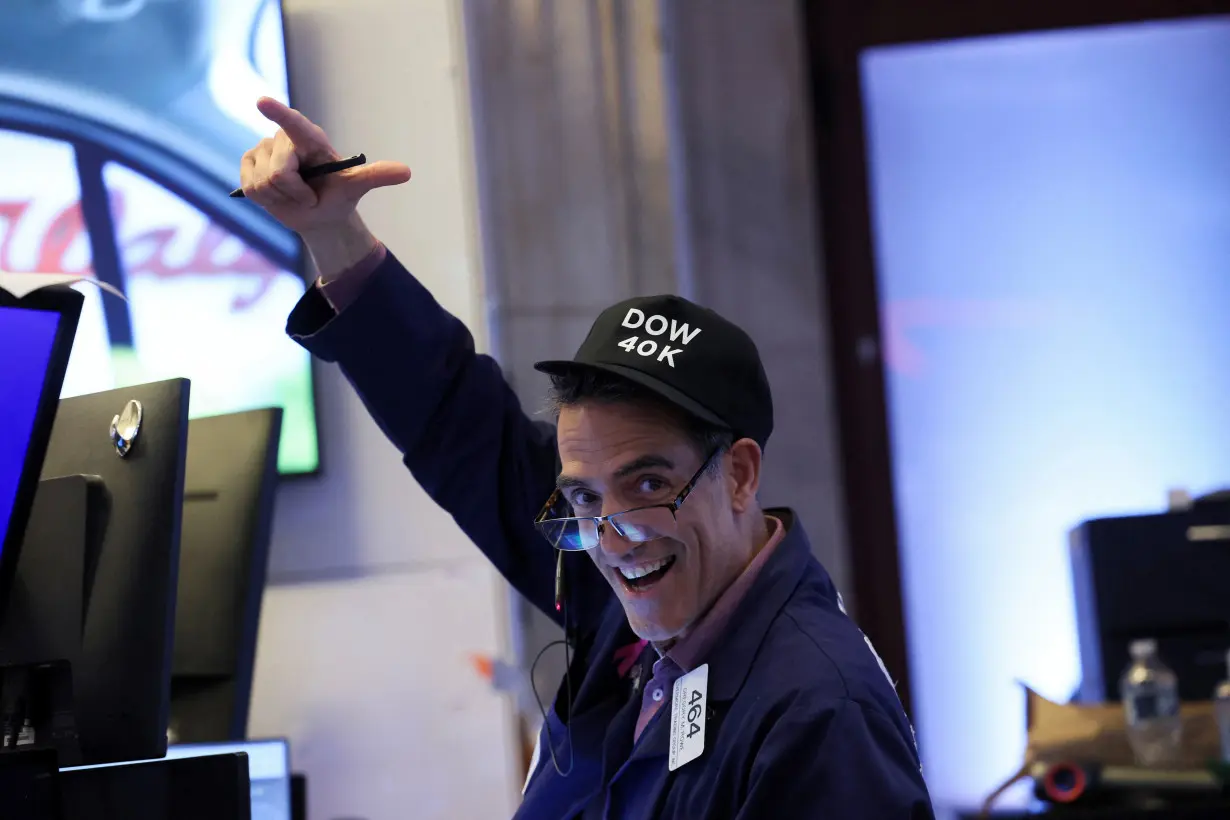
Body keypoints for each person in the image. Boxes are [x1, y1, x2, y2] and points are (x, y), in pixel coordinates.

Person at [240, 96, 934, 819]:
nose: (610, 536)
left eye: (648, 482)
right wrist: (330, 230)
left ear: (739, 473)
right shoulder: (634, 581)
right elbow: (459, 423)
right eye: (583, 498)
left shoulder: (819, 714)